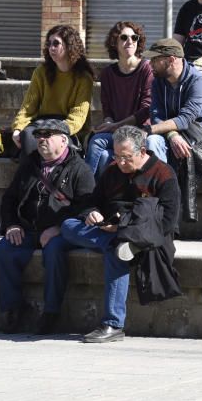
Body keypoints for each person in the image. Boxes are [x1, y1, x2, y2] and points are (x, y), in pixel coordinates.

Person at [60, 126, 180, 343]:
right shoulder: (113, 170)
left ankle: (113, 324)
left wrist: (123, 229)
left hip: (145, 232)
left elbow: (167, 222)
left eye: (126, 157)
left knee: (115, 254)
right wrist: (92, 212)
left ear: (142, 152)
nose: (121, 162)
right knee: (68, 225)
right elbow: (91, 200)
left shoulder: (163, 173)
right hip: (110, 230)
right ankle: (118, 242)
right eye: (117, 156)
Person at [0, 118, 96, 335]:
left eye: (47, 135)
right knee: (4, 249)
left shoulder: (80, 169)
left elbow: (86, 207)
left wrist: (59, 228)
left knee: (54, 250)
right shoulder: (29, 165)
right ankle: (13, 308)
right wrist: (11, 225)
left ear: (63, 140)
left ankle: (51, 311)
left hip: (60, 232)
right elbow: (9, 199)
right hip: (28, 229)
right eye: (38, 135)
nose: (41, 139)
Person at [12, 25, 95, 157]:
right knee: (28, 136)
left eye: (56, 43)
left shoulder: (83, 77)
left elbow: (78, 116)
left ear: (69, 46)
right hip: (43, 123)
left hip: (68, 129)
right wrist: (18, 128)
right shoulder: (41, 72)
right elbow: (28, 107)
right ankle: (34, 177)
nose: (51, 48)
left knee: (51, 143)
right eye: (49, 44)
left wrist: (57, 131)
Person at [86, 21, 153, 178]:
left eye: (134, 38)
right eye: (124, 37)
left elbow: (145, 110)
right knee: (99, 148)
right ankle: (89, 195)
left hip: (140, 131)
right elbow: (107, 108)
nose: (129, 41)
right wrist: (109, 122)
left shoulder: (147, 69)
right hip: (116, 131)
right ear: (114, 43)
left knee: (99, 145)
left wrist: (115, 126)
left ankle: (84, 195)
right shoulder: (108, 73)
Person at [141, 38, 202, 165]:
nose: (150, 64)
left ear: (171, 60)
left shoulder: (199, 82)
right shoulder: (158, 82)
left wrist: (148, 129)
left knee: (151, 138)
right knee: (152, 141)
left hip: (201, 139)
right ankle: (162, 183)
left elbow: (185, 118)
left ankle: (164, 182)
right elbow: (156, 115)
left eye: (155, 59)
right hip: (174, 133)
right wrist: (172, 134)